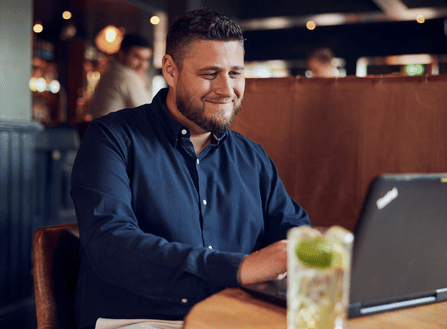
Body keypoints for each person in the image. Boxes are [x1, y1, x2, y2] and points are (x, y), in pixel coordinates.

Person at [71, 9, 311, 329]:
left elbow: (293, 229)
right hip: (139, 321)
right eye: (210, 74)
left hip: (234, 319)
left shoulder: (252, 156)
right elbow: (110, 244)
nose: (227, 89)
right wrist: (239, 269)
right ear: (171, 71)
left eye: (236, 73)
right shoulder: (111, 138)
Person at [88, 33, 153, 119]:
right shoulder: (126, 76)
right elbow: (150, 115)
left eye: (146, 59)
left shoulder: (111, 72)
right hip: (113, 131)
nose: (143, 65)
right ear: (122, 54)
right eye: (137, 57)